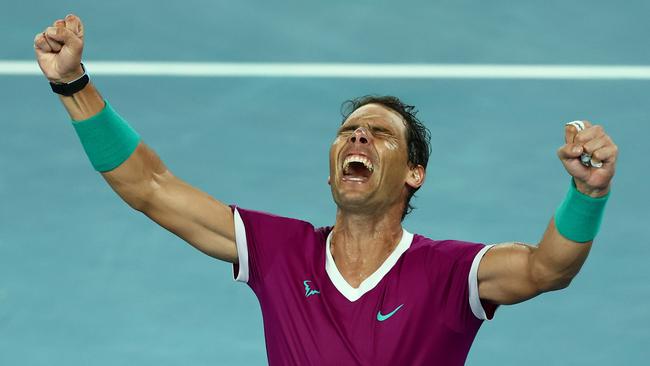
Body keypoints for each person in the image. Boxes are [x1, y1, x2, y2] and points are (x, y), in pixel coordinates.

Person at [34, 14, 618, 366]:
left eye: (379, 133)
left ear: (415, 173)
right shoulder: (279, 251)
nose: (358, 135)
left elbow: (547, 269)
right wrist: (73, 86)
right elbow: (149, 186)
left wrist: (587, 195)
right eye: (348, 130)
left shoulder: (452, 273)